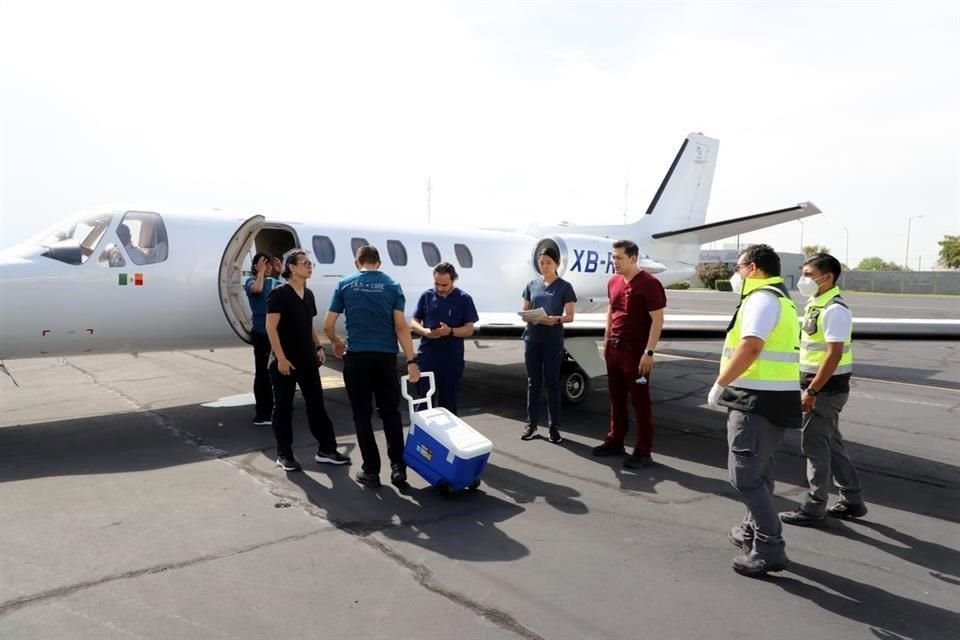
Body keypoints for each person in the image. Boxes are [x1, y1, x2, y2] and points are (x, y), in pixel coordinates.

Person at [707, 244, 801, 578]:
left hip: (755, 400)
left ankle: (769, 547)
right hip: (773, 398)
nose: (737, 272)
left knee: (744, 476)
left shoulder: (761, 299)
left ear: (755, 268)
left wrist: (721, 382)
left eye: (739, 266)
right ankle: (751, 531)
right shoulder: (780, 299)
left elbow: (751, 345)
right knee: (760, 472)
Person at [780, 253, 866, 527]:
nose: (804, 279)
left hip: (825, 390)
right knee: (832, 444)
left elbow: (833, 355)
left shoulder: (834, 310)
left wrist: (813, 390)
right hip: (820, 388)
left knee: (815, 446)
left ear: (826, 277)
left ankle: (814, 506)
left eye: (808, 274)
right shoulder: (817, 303)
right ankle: (852, 499)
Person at [323, 245, 421, 489]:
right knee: (390, 413)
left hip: (357, 357)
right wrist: (411, 361)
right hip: (385, 358)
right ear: (379, 262)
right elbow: (401, 327)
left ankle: (371, 471)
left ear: (358, 263)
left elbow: (327, 325)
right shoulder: (392, 285)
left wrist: (336, 342)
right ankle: (398, 469)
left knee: (362, 416)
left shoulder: (345, 284)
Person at [265, 250, 349, 472]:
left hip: (307, 360)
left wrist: (319, 346)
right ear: (291, 267)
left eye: (310, 263)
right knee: (283, 408)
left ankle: (327, 450)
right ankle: (284, 455)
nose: (310, 267)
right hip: (285, 363)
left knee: (317, 406)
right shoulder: (279, 294)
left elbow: (308, 324)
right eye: (305, 263)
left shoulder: (308, 294)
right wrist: (281, 358)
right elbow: (270, 328)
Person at [592, 240, 666, 468]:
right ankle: (615, 439)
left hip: (636, 352)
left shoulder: (650, 284)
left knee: (640, 402)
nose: (614, 262)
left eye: (619, 258)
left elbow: (658, 320)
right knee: (616, 398)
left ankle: (644, 450)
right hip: (614, 348)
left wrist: (649, 352)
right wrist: (606, 340)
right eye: (613, 257)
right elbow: (612, 310)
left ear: (633, 258)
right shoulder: (613, 281)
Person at [519, 247, 577, 444]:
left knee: (552, 382)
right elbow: (524, 311)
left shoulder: (565, 287)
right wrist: (530, 316)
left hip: (552, 340)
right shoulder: (531, 285)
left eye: (548, 263)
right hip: (532, 339)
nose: (544, 266)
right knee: (533, 382)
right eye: (541, 263)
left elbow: (570, 316)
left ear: (557, 264)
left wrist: (556, 319)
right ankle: (531, 424)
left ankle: (554, 426)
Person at [410, 262, 479, 415]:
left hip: (451, 359)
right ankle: (423, 436)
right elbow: (414, 322)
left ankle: (447, 438)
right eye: (437, 284)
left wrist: (450, 331)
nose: (440, 288)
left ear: (453, 280)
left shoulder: (464, 299)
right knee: (424, 400)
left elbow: (469, 329)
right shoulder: (427, 296)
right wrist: (426, 332)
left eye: (444, 285)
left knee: (449, 402)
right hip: (428, 356)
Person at [245, 252, 281, 425]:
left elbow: (288, 292)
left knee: (275, 371)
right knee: (262, 373)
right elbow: (257, 290)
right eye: (264, 264)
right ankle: (262, 414)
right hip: (261, 333)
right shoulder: (251, 282)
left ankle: (275, 408)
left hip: (276, 332)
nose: (267, 267)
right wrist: (259, 272)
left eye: (269, 264)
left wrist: (280, 273)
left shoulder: (274, 282)